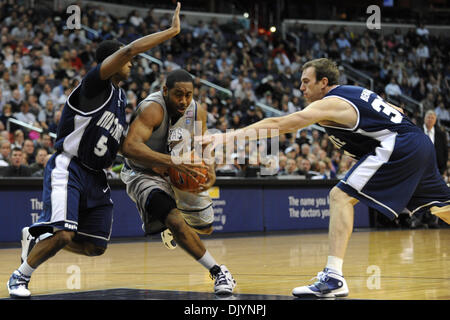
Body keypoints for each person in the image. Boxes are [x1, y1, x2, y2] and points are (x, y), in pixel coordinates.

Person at [205, 58, 450, 298]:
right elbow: (398, 110)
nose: (301, 88)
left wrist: (228, 136)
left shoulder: (331, 103)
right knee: (443, 207)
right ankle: (333, 278)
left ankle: (333, 278)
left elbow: (281, 123)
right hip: (416, 141)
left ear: (324, 82)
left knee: (340, 196)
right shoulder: (354, 92)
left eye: (306, 82)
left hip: (400, 145)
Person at [7, 2, 182, 298]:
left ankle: (38, 236)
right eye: (126, 61)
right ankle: (19, 277)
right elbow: (128, 51)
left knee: (95, 246)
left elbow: (123, 147)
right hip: (70, 166)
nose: (131, 64)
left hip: (97, 177)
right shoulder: (93, 85)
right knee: (63, 232)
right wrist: (172, 31)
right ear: (112, 61)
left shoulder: (119, 98)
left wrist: (159, 165)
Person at [120, 68, 236, 295]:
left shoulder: (197, 112)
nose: (183, 100)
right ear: (165, 91)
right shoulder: (152, 109)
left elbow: (204, 144)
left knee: (207, 227)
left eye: (188, 95)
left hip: (179, 171)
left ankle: (171, 228)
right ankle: (218, 271)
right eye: (178, 95)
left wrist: (210, 168)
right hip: (144, 174)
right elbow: (129, 147)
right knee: (175, 220)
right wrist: (172, 161)